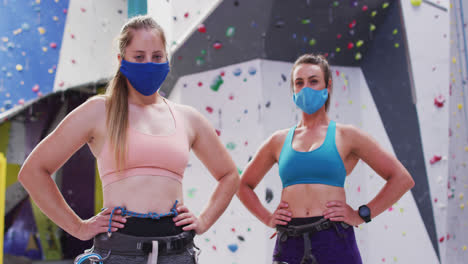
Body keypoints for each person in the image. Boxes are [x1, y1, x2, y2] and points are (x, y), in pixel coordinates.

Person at [18, 15, 240, 264]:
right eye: (139, 56)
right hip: (120, 252)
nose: (149, 63)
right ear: (121, 61)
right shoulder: (99, 110)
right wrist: (78, 228)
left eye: (157, 56)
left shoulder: (188, 118)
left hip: (177, 252)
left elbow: (229, 175)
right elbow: (33, 171)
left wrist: (204, 220)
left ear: (167, 59)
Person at [237, 54, 415, 264]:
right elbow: (242, 185)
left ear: (327, 86)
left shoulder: (348, 135)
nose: (306, 88)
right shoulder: (278, 140)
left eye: (313, 81)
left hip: (334, 239)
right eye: (299, 83)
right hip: (289, 241)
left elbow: (401, 179)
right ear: (293, 89)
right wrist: (268, 218)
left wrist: (361, 214)